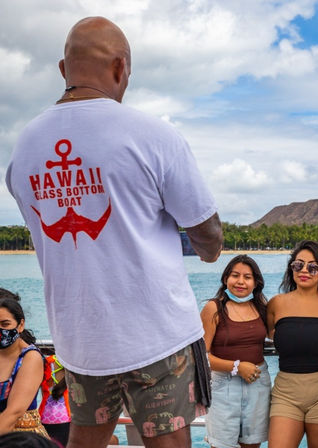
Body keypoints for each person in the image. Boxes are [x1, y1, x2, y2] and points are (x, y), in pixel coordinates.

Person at [6, 16, 222, 448]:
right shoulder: (153, 135)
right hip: (157, 336)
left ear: (63, 70)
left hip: (80, 339)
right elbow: (211, 240)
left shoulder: (24, 148)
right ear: (121, 68)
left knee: (86, 440)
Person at [267, 240, 318, 448]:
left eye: (313, 267)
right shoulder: (276, 304)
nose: (304, 270)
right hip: (286, 390)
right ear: (291, 268)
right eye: (298, 265)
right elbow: (263, 330)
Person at [201, 255, 270, 448]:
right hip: (224, 386)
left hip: (258, 382)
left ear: (255, 283)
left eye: (247, 277)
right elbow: (200, 356)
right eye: (235, 275)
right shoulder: (213, 308)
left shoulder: (262, 308)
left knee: (252, 444)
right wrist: (236, 367)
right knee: (222, 445)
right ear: (225, 279)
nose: (240, 282)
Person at [0, 289, 49, 438]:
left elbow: (14, 412)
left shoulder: (30, 357)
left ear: (20, 325)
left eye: (5, 324)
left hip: (21, 437)